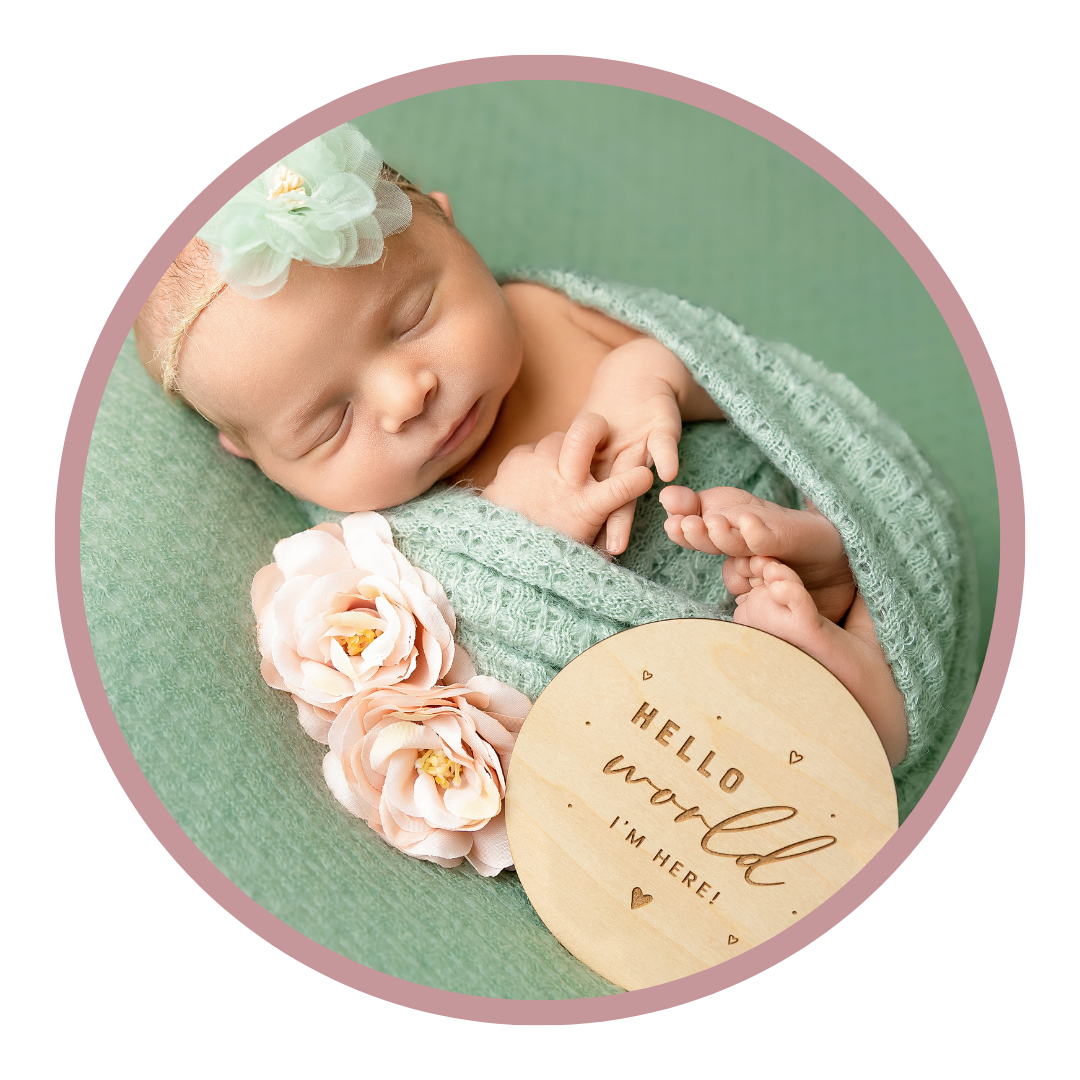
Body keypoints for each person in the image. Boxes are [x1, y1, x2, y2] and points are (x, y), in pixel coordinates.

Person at [135, 125, 908, 767]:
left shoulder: (545, 314)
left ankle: (840, 588)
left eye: (411, 319)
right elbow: (439, 659)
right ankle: (827, 661)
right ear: (252, 453)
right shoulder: (360, 547)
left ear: (451, 228)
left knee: (821, 553)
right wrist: (513, 530)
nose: (408, 396)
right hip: (676, 719)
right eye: (331, 420)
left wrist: (650, 374)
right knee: (726, 758)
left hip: (759, 519)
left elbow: (749, 383)